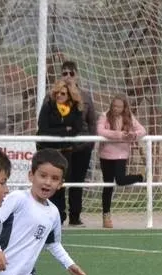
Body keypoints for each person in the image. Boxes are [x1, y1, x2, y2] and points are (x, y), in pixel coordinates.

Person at [36, 79, 84, 224]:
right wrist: (64, 130)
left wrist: (62, 132)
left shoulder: (75, 108)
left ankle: (61, 216)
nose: (59, 96)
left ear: (69, 95)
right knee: (48, 183)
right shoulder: (48, 106)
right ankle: (47, 214)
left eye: (62, 93)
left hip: (65, 151)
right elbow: (43, 129)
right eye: (57, 93)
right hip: (48, 150)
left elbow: (76, 129)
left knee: (60, 184)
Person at [97, 94, 146, 229]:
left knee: (120, 179)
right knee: (107, 185)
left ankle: (140, 176)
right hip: (106, 155)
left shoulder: (129, 117)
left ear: (124, 107)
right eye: (114, 106)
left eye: (119, 106)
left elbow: (142, 130)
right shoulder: (105, 116)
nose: (116, 109)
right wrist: (118, 135)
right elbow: (100, 130)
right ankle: (106, 216)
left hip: (121, 154)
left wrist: (133, 135)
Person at [60, 60, 97, 227]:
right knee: (60, 181)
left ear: (77, 75)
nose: (68, 77)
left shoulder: (86, 97)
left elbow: (92, 123)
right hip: (61, 146)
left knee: (77, 181)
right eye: (64, 73)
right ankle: (59, 215)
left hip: (82, 146)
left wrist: (90, 143)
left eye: (71, 73)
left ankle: (75, 216)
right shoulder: (54, 96)